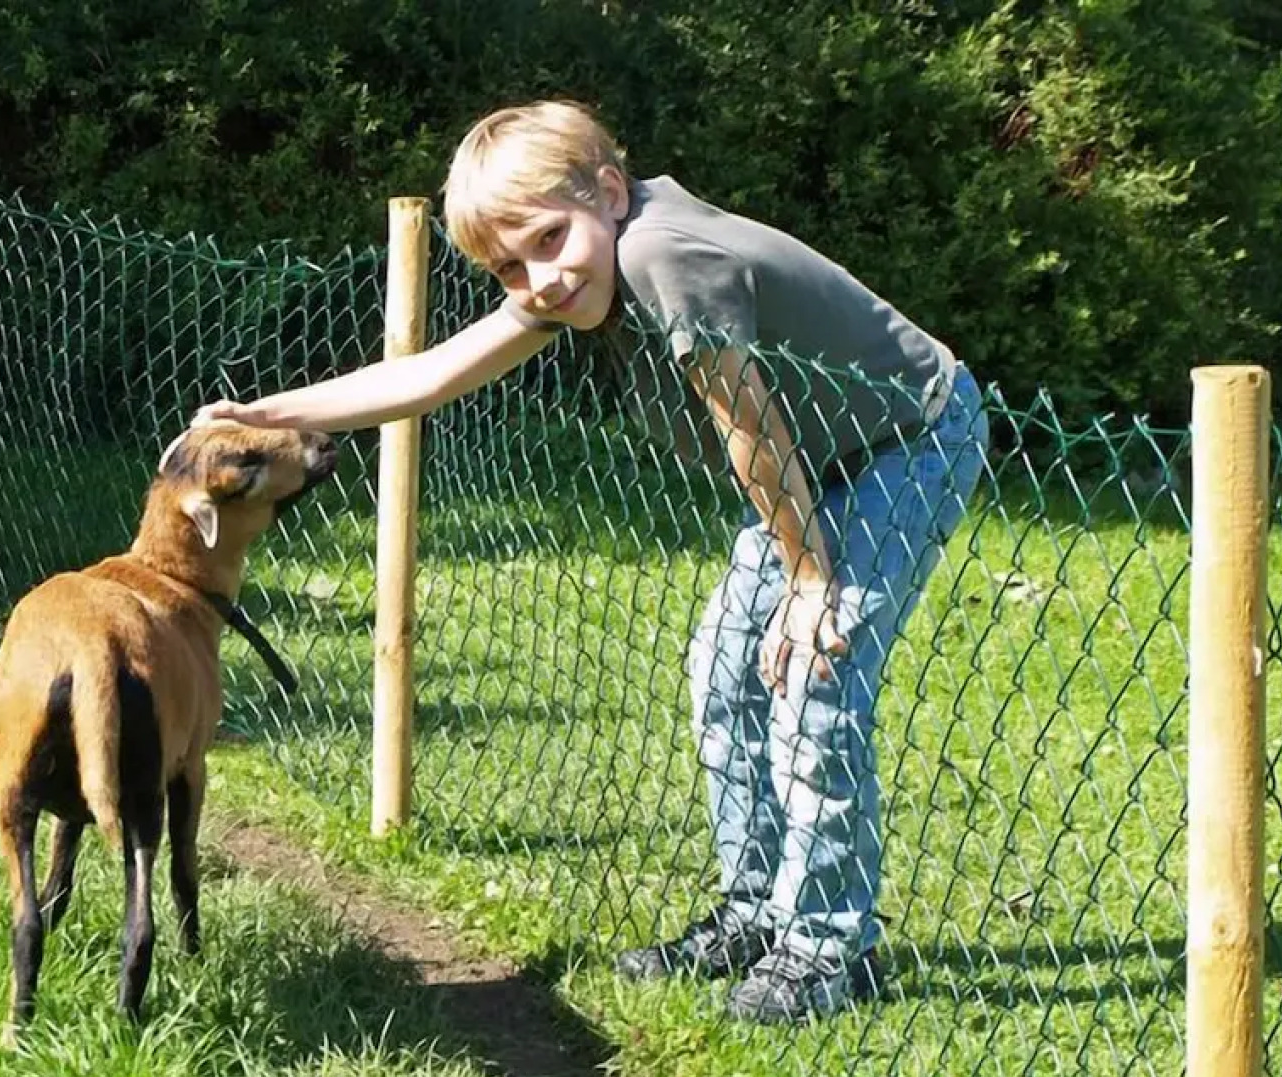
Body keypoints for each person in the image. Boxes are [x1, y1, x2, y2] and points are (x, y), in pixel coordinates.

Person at [194, 100, 989, 1023]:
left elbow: (750, 429)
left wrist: (811, 584)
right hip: (809, 470)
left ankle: (823, 948)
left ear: (609, 193)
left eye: (546, 241)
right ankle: (756, 910)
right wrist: (264, 416)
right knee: (726, 672)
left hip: (905, 440)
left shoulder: (661, 255)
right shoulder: (583, 265)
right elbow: (432, 374)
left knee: (814, 673)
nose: (537, 280)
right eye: (507, 268)